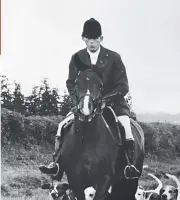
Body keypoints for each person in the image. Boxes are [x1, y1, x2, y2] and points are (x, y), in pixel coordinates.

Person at [39, 18, 138, 179]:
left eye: (95, 39)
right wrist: (80, 101)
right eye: (88, 39)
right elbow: (70, 83)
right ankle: (56, 163)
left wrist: (105, 100)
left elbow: (123, 86)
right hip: (84, 104)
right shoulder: (77, 58)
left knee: (126, 129)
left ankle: (129, 165)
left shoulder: (114, 58)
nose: (92, 42)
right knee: (62, 126)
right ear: (83, 38)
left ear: (101, 39)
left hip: (113, 104)